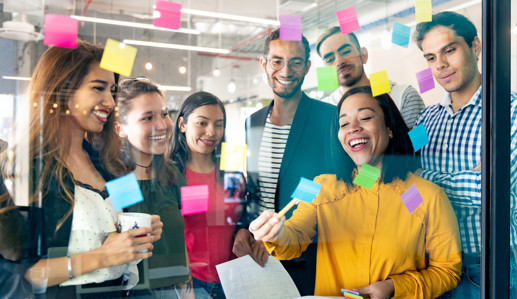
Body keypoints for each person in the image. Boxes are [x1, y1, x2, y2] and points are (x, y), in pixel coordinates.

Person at [250, 86, 461, 298]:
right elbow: (294, 237)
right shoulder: (318, 186)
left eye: (365, 117)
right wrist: (276, 234)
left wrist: (395, 287)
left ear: (389, 128)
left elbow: (447, 271)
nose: (352, 128)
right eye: (343, 123)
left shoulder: (424, 196)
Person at [0, 41, 163, 297]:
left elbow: (133, 214)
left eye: (112, 91)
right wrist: (103, 256)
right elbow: (19, 273)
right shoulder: (24, 168)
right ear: (60, 89)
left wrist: (145, 230)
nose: (109, 102)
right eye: (98, 88)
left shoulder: (113, 163)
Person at [413, 11, 517, 299]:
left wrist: (425, 179)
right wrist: (463, 178)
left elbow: (489, 189)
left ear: (476, 46)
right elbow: (407, 183)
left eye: (450, 50)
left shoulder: (512, 110)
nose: (441, 64)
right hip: (427, 262)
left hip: (483, 263)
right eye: (431, 57)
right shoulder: (425, 120)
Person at [233, 28, 349, 296]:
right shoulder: (253, 122)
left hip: (307, 257)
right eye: (276, 61)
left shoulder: (329, 118)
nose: (285, 71)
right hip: (258, 256)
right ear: (263, 63)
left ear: (307, 67)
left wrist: (280, 234)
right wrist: (243, 228)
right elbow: (254, 187)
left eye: (296, 62)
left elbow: (332, 183)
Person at [115, 77, 194, 298]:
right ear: (121, 128)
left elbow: (182, 238)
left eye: (164, 113)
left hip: (175, 290)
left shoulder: (172, 175)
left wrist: (187, 290)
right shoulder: (116, 180)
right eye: (148, 117)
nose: (162, 125)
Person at [168, 91, 245, 299]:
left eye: (218, 124)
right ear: (182, 125)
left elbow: (241, 214)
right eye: (202, 123)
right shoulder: (170, 175)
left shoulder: (232, 170)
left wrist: (244, 229)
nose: (211, 132)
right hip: (191, 283)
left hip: (233, 280)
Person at [316, 26, 425, 129]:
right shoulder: (324, 110)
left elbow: (420, 147)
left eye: (345, 52)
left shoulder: (403, 96)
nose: (339, 62)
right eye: (330, 59)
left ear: (364, 55)